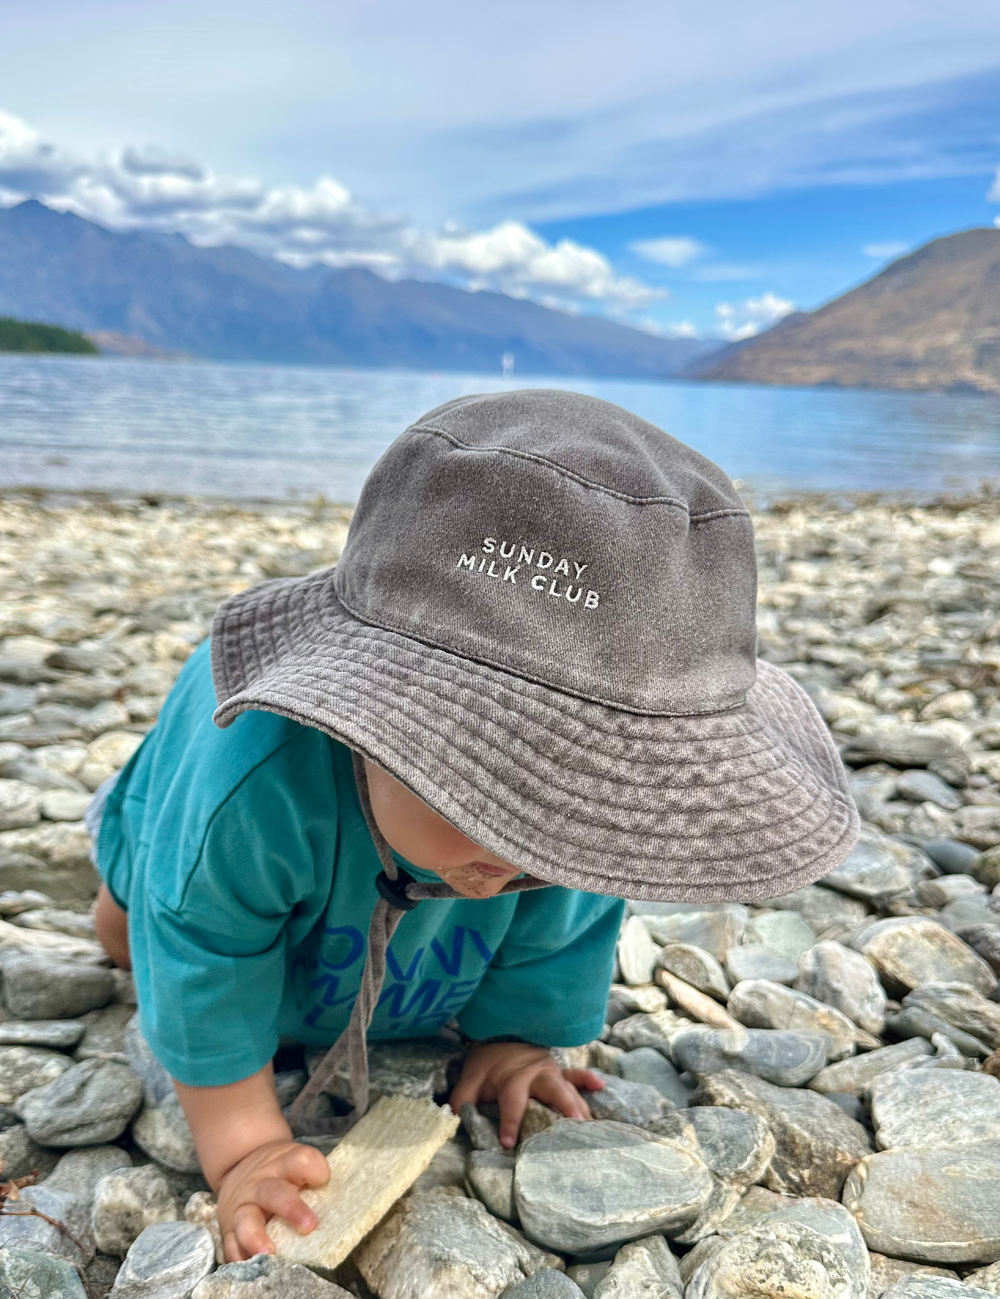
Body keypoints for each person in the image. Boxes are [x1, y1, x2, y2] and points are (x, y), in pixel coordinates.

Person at [91, 389, 859, 1263]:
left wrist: (515, 1037)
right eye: (485, 786)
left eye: (582, 806)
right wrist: (247, 1144)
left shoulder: (547, 848)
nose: (528, 842)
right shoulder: (253, 782)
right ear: (363, 715)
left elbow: (564, 928)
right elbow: (201, 943)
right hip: (192, 812)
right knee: (130, 939)